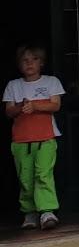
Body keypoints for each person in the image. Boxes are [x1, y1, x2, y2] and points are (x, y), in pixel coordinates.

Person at [4, 45, 65, 230]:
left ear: (41, 62)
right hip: (21, 140)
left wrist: (36, 106)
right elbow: (8, 111)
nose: (29, 63)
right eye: (25, 60)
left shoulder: (51, 82)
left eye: (34, 59)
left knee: (43, 175)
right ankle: (29, 212)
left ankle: (47, 211)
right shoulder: (13, 85)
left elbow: (56, 105)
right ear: (19, 65)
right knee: (25, 177)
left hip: (46, 138)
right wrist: (20, 107)